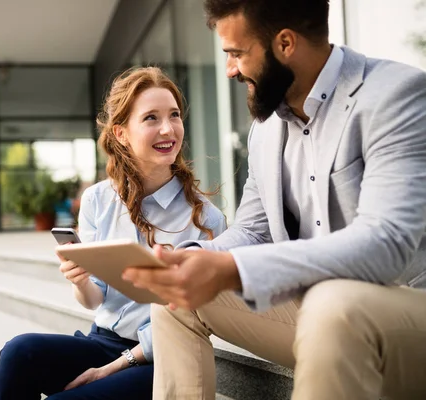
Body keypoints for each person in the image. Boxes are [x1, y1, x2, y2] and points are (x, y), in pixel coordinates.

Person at [122, 1, 426, 399]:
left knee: (333, 304)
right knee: (175, 299)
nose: (229, 69)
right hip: (319, 312)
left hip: (406, 315)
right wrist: (195, 257)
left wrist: (232, 268)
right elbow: (252, 228)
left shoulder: (396, 95)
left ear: (285, 43)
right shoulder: (265, 128)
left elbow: (387, 243)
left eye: (236, 53)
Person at [0, 66, 227, 400]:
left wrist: (113, 367)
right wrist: (80, 280)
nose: (168, 128)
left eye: (174, 115)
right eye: (151, 118)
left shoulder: (206, 219)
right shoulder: (98, 199)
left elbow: (196, 314)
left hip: (160, 357)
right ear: (121, 133)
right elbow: (95, 300)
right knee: (18, 353)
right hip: (102, 341)